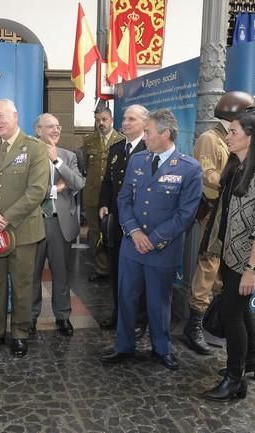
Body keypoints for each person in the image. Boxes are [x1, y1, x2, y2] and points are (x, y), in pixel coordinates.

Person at [101, 109, 202, 371]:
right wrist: (134, 232)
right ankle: (123, 346)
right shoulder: (138, 161)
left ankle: (161, 348)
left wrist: (154, 239)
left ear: (165, 134)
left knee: (159, 302)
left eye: (148, 132)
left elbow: (185, 214)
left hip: (162, 250)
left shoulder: (189, 168)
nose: (143, 137)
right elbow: (123, 199)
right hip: (132, 246)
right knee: (126, 297)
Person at [200, 112, 255, 401]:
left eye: (234, 131)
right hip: (230, 253)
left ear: (252, 136)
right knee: (240, 310)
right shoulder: (238, 167)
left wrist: (252, 268)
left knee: (230, 314)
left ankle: (234, 378)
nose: (228, 135)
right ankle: (252, 360)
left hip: (246, 258)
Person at [0, 98, 49, 358]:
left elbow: (37, 191)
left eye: (2, 116)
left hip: (23, 230)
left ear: (15, 116)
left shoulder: (35, 148)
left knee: (22, 284)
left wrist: (5, 217)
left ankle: (19, 333)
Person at [183, 91, 255, 355]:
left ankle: (218, 324)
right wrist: (236, 180)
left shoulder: (242, 136)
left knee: (225, 272)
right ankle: (194, 326)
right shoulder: (210, 139)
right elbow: (204, 173)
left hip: (233, 214)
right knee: (209, 267)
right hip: (214, 211)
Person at [30, 113, 85, 336]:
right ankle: (30, 317)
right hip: (33, 222)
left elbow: (78, 183)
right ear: (38, 130)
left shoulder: (68, 156)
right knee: (31, 274)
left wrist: (57, 161)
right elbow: (29, 191)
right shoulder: (28, 155)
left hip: (60, 223)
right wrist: (55, 189)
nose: (56, 130)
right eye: (50, 126)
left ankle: (62, 317)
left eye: (58, 127)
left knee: (61, 273)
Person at [98, 104, 149, 331]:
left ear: (145, 124)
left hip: (140, 223)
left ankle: (138, 319)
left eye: (132, 119)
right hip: (117, 221)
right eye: (125, 118)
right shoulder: (117, 148)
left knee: (138, 274)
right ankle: (119, 313)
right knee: (117, 270)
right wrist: (103, 204)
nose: (125, 123)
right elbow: (108, 181)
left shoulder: (150, 150)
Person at [79, 102, 125, 282]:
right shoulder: (88, 141)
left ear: (111, 120)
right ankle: (100, 268)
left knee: (111, 231)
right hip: (92, 195)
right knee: (95, 232)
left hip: (112, 195)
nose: (101, 123)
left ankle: (114, 268)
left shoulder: (120, 141)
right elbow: (86, 167)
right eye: (98, 120)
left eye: (104, 119)